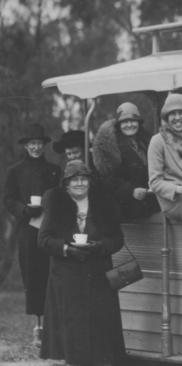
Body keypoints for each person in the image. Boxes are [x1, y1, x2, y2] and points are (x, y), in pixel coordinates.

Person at [38, 160, 125, 365]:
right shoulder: (55, 201)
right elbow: (43, 240)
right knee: (73, 331)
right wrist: (68, 249)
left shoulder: (103, 202)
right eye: (74, 180)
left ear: (90, 182)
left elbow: (117, 239)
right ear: (66, 184)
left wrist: (99, 246)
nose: (79, 183)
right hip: (67, 277)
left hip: (98, 275)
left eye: (83, 179)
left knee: (100, 331)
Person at [3, 123, 60, 343]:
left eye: (39, 143)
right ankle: (38, 327)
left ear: (44, 145)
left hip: (50, 229)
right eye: (32, 143)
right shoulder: (15, 171)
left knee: (51, 272)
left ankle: (52, 324)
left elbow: (60, 197)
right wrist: (24, 210)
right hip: (27, 230)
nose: (35, 147)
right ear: (26, 146)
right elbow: (8, 199)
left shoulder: (53, 170)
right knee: (33, 275)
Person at [93, 102, 159, 220]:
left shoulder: (146, 141)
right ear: (119, 125)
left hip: (151, 196)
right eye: (124, 122)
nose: (129, 125)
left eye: (133, 121)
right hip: (126, 205)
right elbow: (107, 179)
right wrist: (131, 191)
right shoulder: (112, 147)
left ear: (138, 123)